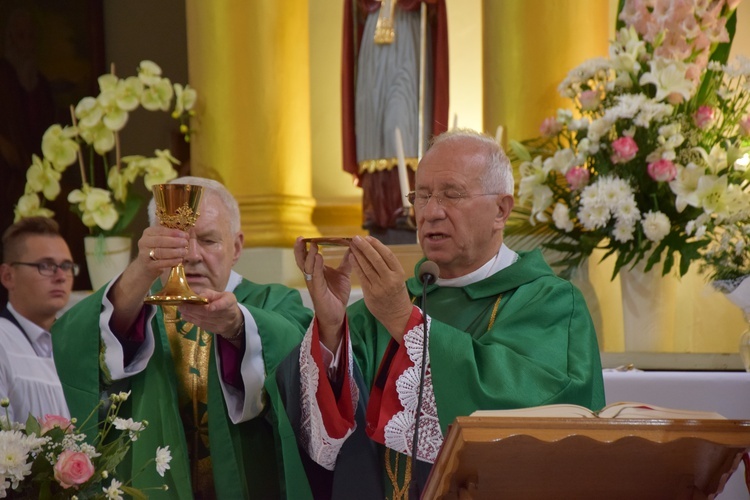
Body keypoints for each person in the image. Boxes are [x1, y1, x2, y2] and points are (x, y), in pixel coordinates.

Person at [271, 129, 605, 499]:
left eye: (452, 194)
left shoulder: (549, 301)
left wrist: (405, 322)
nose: (430, 213)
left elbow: (538, 409)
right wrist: (333, 329)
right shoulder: (389, 304)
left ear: (501, 209)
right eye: (422, 196)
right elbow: (325, 430)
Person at [52, 176, 313, 499]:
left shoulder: (270, 303)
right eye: (174, 242)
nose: (191, 255)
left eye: (208, 240)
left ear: (237, 246)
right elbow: (74, 342)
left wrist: (237, 326)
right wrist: (141, 270)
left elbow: (298, 350)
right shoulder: (134, 309)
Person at [341, 0, 449, 243]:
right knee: (373, 126)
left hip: (407, 32)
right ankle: (379, 212)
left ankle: (407, 206)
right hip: (373, 30)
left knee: (401, 123)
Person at [0, 217, 75, 422]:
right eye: (46, 265)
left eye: (66, 266)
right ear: (8, 276)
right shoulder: (3, 339)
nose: (61, 276)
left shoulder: (76, 343)